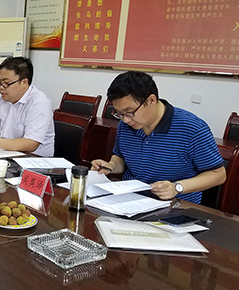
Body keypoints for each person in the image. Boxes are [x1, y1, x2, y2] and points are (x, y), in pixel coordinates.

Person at [91, 71, 225, 203]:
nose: (125, 120)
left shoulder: (192, 129)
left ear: (151, 100)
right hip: (128, 200)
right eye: (120, 114)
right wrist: (111, 166)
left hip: (174, 206)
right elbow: (120, 157)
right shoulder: (126, 125)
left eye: (129, 112)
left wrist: (176, 187)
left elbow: (218, 175)